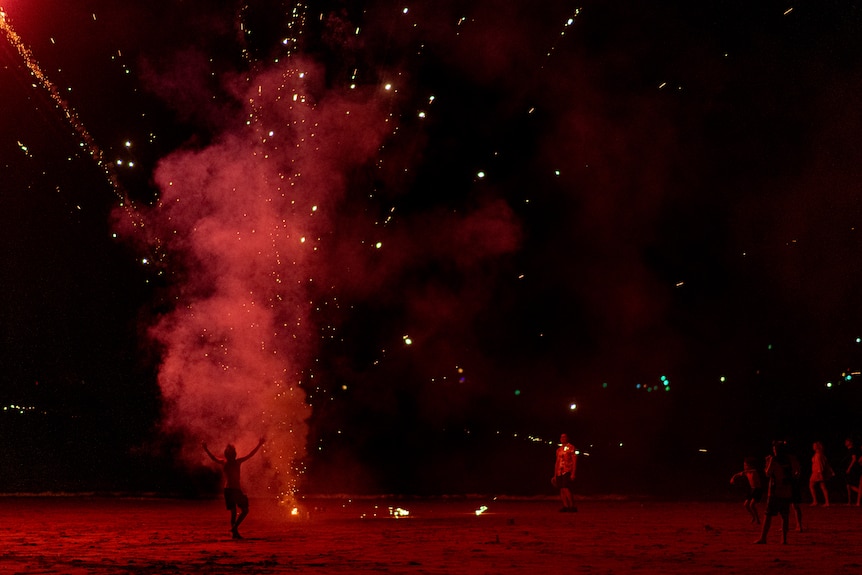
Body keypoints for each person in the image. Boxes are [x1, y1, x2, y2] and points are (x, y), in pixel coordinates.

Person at [203, 437, 265, 539]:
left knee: (235, 512)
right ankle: (235, 530)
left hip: (229, 490)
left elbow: (213, 458)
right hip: (234, 489)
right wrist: (259, 444)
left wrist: (206, 449)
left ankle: (234, 530)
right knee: (243, 510)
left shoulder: (227, 462)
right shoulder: (234, 462)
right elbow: (250, 455)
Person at [755, 441, 794, 545]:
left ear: (775, 450)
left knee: (768, 515)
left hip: (775, 491)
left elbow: (767, 473)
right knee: (785, 516)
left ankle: (763, 538)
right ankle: (784, 539)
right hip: (787, 491)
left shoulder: (774, 459)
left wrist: (767, 462)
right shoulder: (788, 460)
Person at [730, 457, 763, 524]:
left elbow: (753, 471)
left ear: (750, 466)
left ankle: (757, 519)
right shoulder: (747, 472)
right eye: (744, 465)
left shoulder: (754, 471)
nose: (744, 467)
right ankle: (753, 517)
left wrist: (746, 471)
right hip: (751, 489)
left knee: (751, 505)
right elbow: (738, 474)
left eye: (746, 465)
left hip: (757, 489)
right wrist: (733, 478)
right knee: (746, 505)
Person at [553, 433, 578, 512]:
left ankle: (572, 506)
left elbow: (574, 461)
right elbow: (557, 462)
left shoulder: (572, 448)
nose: (562, 438)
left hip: (567, 470)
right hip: (559, 471)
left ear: (567, 438)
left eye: (564, 437)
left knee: (566, 488)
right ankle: (565, 506)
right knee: (561, 489)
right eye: (561, 437)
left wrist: (573, 473)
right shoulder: (558, 450)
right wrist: (555, 474)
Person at [809, 441, 833, 506]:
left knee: (811, 485)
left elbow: (819, 464)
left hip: (817, 472)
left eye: (814, 446)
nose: (813, 447)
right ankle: (827, 502)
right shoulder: (821, 455)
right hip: (819, 472)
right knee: (823, 487)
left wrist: (819, 472)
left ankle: (815, 501)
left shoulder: (818, 455)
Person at [843, 438, 862, 506]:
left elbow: (854, 459)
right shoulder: (849, 450)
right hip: (850, 469)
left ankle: (851, 501)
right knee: (848, 485)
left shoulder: (852, 450)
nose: (845, 442)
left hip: (852, 469)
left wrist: (849, 468)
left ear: (851, 442)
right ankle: (850, 501)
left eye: (847, 441)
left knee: (849, 485)